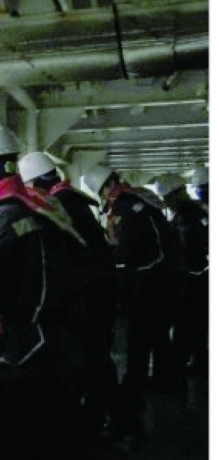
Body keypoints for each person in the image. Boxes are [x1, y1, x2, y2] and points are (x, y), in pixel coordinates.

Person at [0, 125, 90, 460]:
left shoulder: (2, 220)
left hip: (27, 359)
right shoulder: (44, 208)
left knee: (27, 452)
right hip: (65, 348)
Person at [19, 151, 117, 439]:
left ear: (34, 184)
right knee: (98, 356)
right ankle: (110, 418)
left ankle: (97, 422)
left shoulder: (58, 206)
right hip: (100, 291)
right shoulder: (74, 201)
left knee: (90, 359)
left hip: (87, 297)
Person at [82, 164, 182, 443]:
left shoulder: (124, 207)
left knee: (138, 340)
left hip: (149, 282)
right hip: (164, 278)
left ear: (103, 188)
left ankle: (131, 400)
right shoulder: (138, 199)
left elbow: (126, 249)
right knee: (157, 334)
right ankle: (162, 380)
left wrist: (113, 270)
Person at [153, 173, 208, 378]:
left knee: (185, 321)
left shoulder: (184, 216)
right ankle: (200, 360)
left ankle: (180, 362)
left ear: (172, 196)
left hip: (190, 278)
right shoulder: (198, 209)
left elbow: (185, 250)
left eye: (166, 199)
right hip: (201, 274)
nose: (166, 203)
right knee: (199, 322)